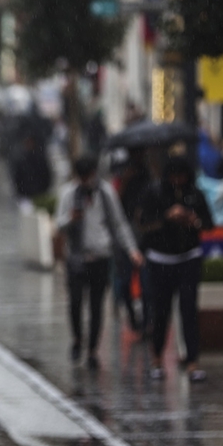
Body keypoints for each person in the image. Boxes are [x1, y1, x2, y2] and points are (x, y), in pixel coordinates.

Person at [55, 156, 143, 369]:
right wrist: (70, 218)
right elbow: (58, 224)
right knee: (75, 303)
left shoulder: (106, 193)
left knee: (96, 305)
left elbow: (119, 223)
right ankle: (77, 339)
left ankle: (93, 349)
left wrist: (132, 250)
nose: (86, 181)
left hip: (101, 258)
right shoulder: (69, 193)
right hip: (76, 257)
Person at [139, 156, 214, 382]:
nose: (178, 181)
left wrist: (193, 221)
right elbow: (143, 224)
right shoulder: (154, 193)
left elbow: (209, 223)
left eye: (182, 176)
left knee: (189, 310)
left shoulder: (195, 194)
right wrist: (167, 218)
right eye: (174, 176)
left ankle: (192, 361)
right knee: (161, 311)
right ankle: (157, 359)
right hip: (161, 259)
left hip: (189, 258)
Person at [111, 147, 151, 335]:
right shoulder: (121, 175)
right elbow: (114, 204)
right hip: (124, 234)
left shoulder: (148, 175)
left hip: (143, 235)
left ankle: (146, 322)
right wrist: (125, 180)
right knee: (125, 280)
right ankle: (132, 317)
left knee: (145, 282)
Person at [11, 133, 52, 213]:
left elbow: (46, 175)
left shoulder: (40, 159)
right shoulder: (21, 160)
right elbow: (17, 177)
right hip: (25, 196)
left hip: (39, 195)